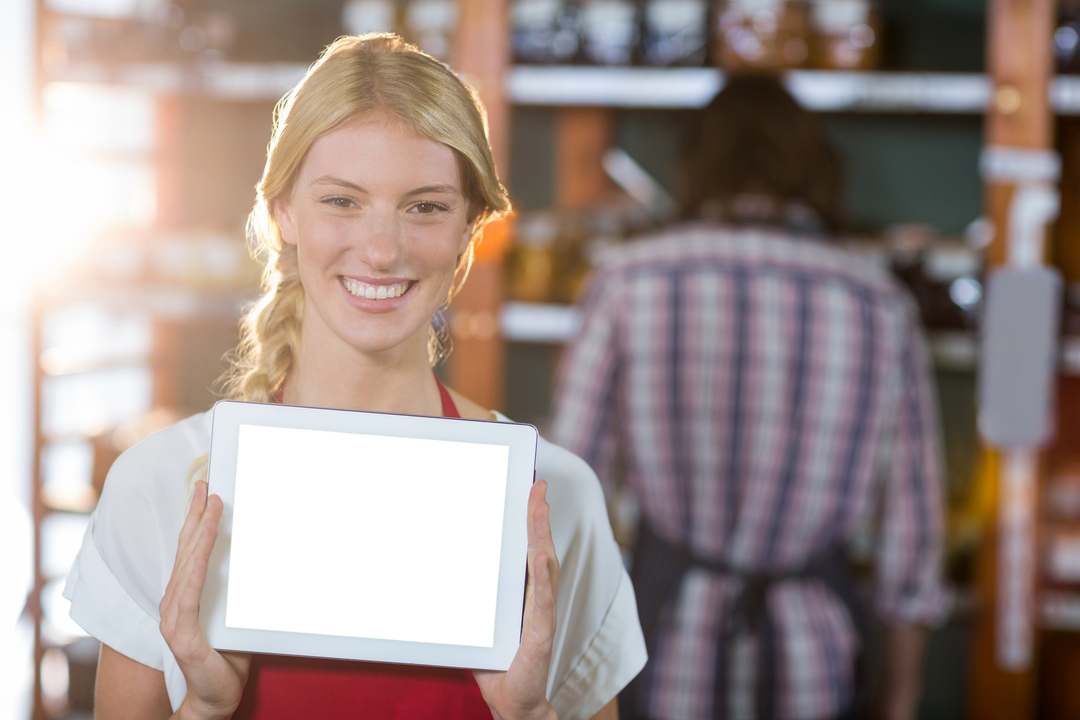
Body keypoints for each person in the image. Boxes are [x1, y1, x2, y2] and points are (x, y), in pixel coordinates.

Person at [64, 33, 646, 720]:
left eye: (425, 206)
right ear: (282, 211)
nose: (381, 249)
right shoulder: (163, 490)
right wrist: (204, 709)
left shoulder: (552, 504)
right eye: (342, 201)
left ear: (470, 228)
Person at [550, 74, 948, 720]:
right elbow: (914, 531)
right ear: (816, 167)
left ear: (695, 163)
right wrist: (900, 697)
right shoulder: (879, 303)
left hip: (657, 648)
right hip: (814, 658)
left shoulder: (625, 283)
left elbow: (566, 499)